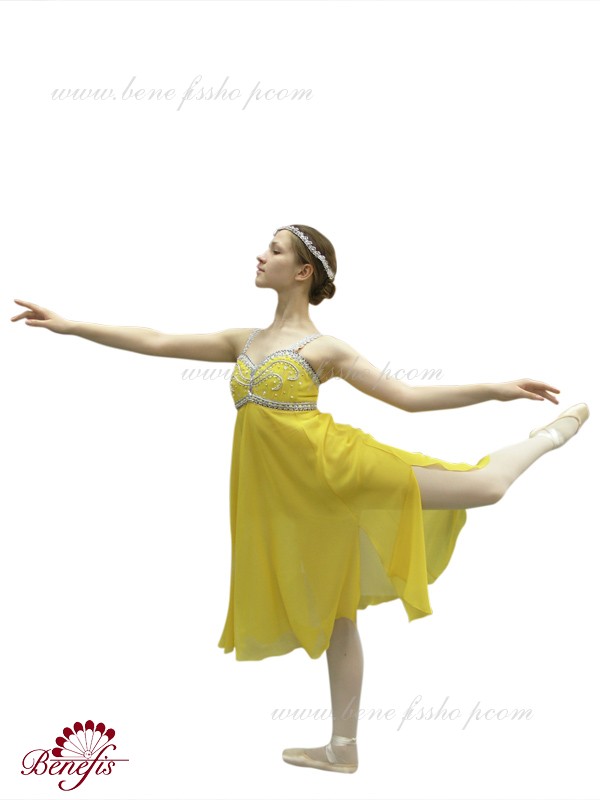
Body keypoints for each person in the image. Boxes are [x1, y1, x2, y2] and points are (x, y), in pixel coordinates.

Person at [10, 223, 590, 775]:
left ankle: (549, 436)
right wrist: (72, 325)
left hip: (338, 468)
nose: (261, 256)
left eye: (275, 249)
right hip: (291, 499)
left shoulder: (324, 347)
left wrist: (494, 389)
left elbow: (408, 397)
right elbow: (157, 340)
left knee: (485, 488)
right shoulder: (244, 341)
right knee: (338, 618)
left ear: (302, 271)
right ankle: (342, 750)